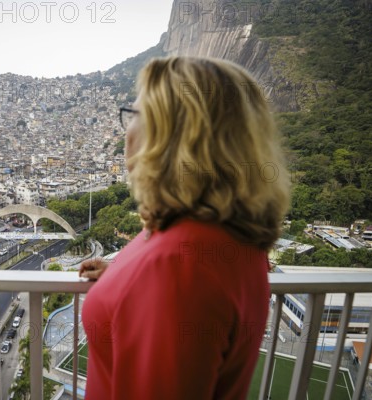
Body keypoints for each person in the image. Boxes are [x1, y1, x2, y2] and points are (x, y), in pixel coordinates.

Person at [79, 56, 290, 399]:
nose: (126, 130)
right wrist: (123, 280)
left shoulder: (176, 266)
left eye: (133, 115)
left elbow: (174, 283)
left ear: (167, 136)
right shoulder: (232, 236)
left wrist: (148, 283)